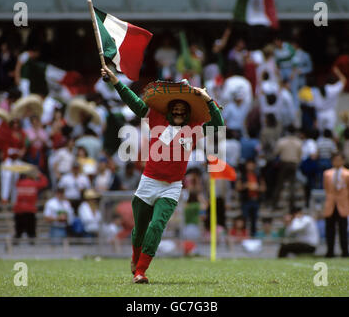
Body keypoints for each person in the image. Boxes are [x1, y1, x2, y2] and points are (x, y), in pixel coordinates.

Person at [101, 65, 224, 284]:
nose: (178, 112)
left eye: (182, 110)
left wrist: (207, 99)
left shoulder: (195, 127)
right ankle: (135, 258)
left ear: (187, 113)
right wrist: (116, 82)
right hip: (148, 182)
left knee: (157, 226)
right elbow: (136, 104)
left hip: (172, 186)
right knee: (139, 230)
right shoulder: (156, 118)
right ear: (169, 109)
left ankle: (140, 271)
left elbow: (218, 125)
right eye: (174, 108)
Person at [323, 153, 349, 258]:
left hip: (343, 204)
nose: (337, 162)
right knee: (330, 230)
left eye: (339, 160)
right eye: (335, 160)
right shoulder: (327, 174)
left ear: (343, 161)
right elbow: (326, 189)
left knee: (343, 230)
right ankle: (330, 251)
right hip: (331, 204)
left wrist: (348, 203)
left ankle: (345, 251)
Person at [12, 167, 48, 245]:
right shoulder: (34, 183)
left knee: (18, 232)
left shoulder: (19, 183)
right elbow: (44, 182)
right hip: (30, 211)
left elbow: (15, 183)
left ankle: (13, 249)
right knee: (31, 233)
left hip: (19, 210)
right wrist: (39, 174)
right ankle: (32, 248)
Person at [271, 125, 302, 210]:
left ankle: (274, 203)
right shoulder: (298, 142)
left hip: (284, 163)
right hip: (294, 163)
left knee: (280, 184)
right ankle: (291, 204)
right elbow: (300, 155)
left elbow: (275, 153)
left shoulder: (282, 141)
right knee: (292, 185)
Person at [236, 159, 266, 237]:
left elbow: (263, 188)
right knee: (244, 219)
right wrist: (246, 185)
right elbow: (238, 187)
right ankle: (244, 235)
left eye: (252, 164)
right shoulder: (243, 176)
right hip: (246, 200)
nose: (250, 166)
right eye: (249, 164)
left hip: (255, 200)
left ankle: (253, 235)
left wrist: (257, 187)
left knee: (254, 220)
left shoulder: (258, 176)